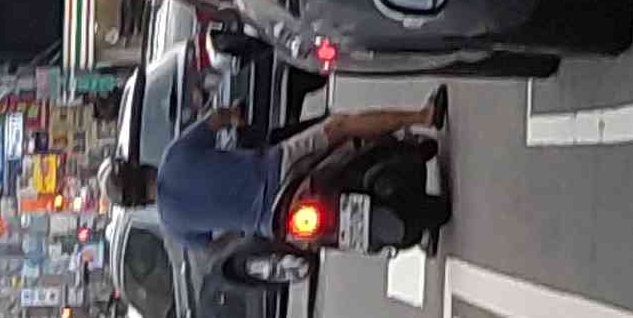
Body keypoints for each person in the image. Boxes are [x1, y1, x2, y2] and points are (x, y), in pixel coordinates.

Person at [104, 88, 447, 246]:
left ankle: (404, 229)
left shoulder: (173, 225)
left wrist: (240, 221)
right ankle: (423, 115)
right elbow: (216, 120)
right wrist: (233, 116)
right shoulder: (174, 157)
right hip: (280, 169)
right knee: (340, 126)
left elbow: (213, 241)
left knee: (331, 238)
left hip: (277, 227)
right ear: (138, 166)